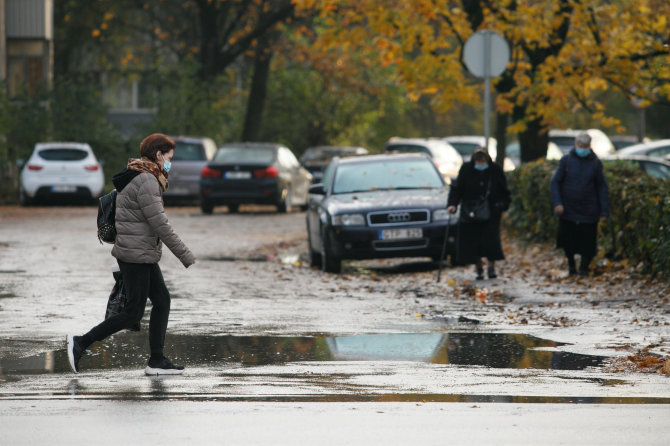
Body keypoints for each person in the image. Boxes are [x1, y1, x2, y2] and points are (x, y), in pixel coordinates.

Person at [67, 133, 196, 375]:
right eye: (169, 158)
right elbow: (160, 223)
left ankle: (156, 360)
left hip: (140, 252)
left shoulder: (141, 175)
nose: (171, 163)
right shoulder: (147, 181)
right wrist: (185, 254)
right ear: (158, 155)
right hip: (135, 254)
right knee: (133, 312)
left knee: (162, 301)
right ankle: (80, 342)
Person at [550, 132, 609, 277]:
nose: (582, 149)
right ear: (576, 145)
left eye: (585, 146)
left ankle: (584, 268)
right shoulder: (567, 160)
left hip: (589, 209)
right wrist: (557, 203)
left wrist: (604, 210)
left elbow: (602, 187)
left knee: (588, 242)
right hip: (568, 209)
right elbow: (555, 182)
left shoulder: (595, 163)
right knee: (568, 240)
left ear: (590, 146)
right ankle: (571, 266)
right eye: (580, 146)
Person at [447, 147, 511, 280]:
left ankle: (491, 267)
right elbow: (458, 188)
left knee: (490, 241)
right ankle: (478, 268)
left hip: (492, 212)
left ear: (487, 159)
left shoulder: (495, 170)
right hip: (470, 212)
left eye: (483, 160)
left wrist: (502, 205)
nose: (480, 163)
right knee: (473, 241)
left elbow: (504, 190)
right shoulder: (466, 169)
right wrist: (452, 204)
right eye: (478, 160)